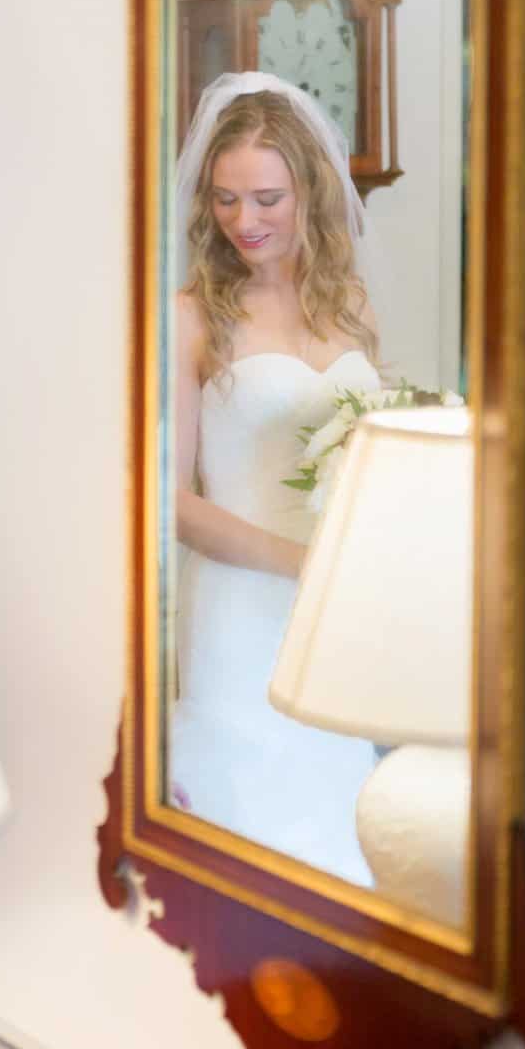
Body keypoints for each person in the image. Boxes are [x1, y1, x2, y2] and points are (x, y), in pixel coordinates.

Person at [168, 71, 381, 887]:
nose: (243, 222)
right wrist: (301, 565)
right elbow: (170, 498)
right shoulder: (192, 317)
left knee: (337, 804)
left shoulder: (347, 302)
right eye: (224, 200)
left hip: (339, 603)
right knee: (253, 816)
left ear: (310, 192)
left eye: (266, 198)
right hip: (241, 603)